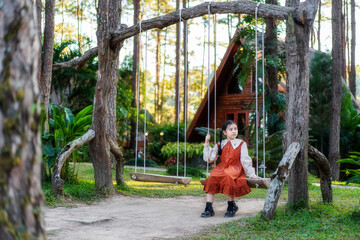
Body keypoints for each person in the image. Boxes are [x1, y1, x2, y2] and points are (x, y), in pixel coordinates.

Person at [201, 120, 260, 218]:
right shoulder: (220, 144)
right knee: (212, 178)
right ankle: (209, 207)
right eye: (231, 129)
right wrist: (207, 143)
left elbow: (245, 160)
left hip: (235, 168)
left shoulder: (241, 143)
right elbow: (209, 158)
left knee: (229, 177)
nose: (234, 131)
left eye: (235, 129)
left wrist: (251, 174)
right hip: (221, 168)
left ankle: (231, 205)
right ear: (225, 132)